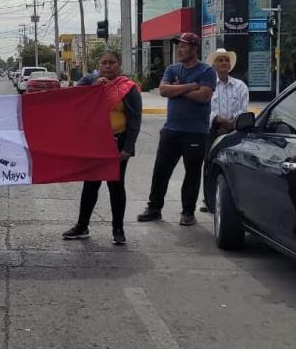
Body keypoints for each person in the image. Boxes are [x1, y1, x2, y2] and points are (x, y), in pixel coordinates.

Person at [62, 51, 142, 245]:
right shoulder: (90, 79)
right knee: (90, 185)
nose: (108, 66)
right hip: (94, 144)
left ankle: (118, 229)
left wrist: (128, 148)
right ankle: (82, 226)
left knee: (116, 186)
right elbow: (74, 98)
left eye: (112, 63)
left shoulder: (127, 87)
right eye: (104, 63)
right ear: (99, 65)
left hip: (118, 143)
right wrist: (92, 88)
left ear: (119, 65)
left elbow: (135, 120)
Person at [138, 32, 216, 227]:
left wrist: (178, 89)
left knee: (192, 172)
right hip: (171, 130)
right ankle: (154, 208)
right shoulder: (172, 68)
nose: (180, 49)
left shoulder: (207, 71)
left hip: (196, 131)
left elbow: (204, 97)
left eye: (184, 46)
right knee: (161, 170)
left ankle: (188, 212)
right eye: (179, 46)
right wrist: (189, 86)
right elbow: (163, 90)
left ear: (195, 48)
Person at [200, 48, 249, 214]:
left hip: (234, 129)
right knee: (209, 164)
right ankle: (209, 201)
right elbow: (206, 108)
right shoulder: (208, 85)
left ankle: (232, 199)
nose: (223, 63)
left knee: (232, 164)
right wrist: (219, 121)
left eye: (226, 60)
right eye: (220, 60)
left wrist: (230, 124)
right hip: (212, 130)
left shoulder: (240, 86)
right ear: (214, 64)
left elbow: (243, 109)